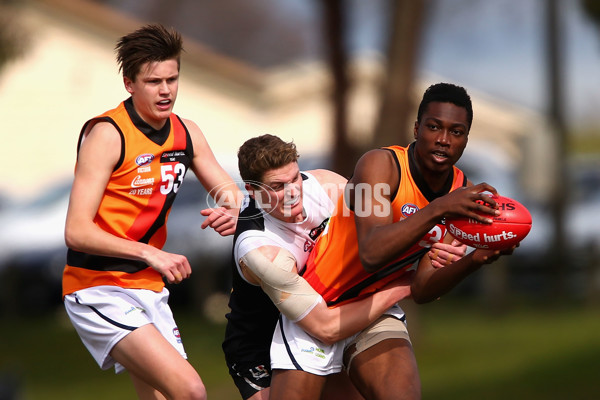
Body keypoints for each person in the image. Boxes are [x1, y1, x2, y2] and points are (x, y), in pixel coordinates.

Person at [269, 82, 516, 400]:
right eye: (433, 127)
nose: (443, 140)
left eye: (456, 132)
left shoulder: (460, 194)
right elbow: (372, 252)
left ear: (466, 140)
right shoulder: (379, 166)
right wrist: (439, 209)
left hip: (374, 310)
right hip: (316, 307)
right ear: (416, 128)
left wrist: (476, 260)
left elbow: (424, 287)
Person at [62, 24, 240, 400]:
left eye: (172, 79)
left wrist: (234, 210)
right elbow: (76, 230)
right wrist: (149, 252)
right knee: (190, 390)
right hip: (98, 287)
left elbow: (228, 191)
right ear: (129, 83)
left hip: (149, 288)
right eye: (153, 81)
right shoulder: (108, 134)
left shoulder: (186, 133)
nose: (166, 91)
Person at [221, 134, 466, 400]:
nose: (292, 192)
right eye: (277, 186)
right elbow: (325, 328)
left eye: (294, 178)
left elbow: (392, 227)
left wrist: (441, 246)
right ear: (252, 189)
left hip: (341, 304)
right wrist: (406, 284)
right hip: (266, 337)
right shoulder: (261, 251)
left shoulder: (327, 185)